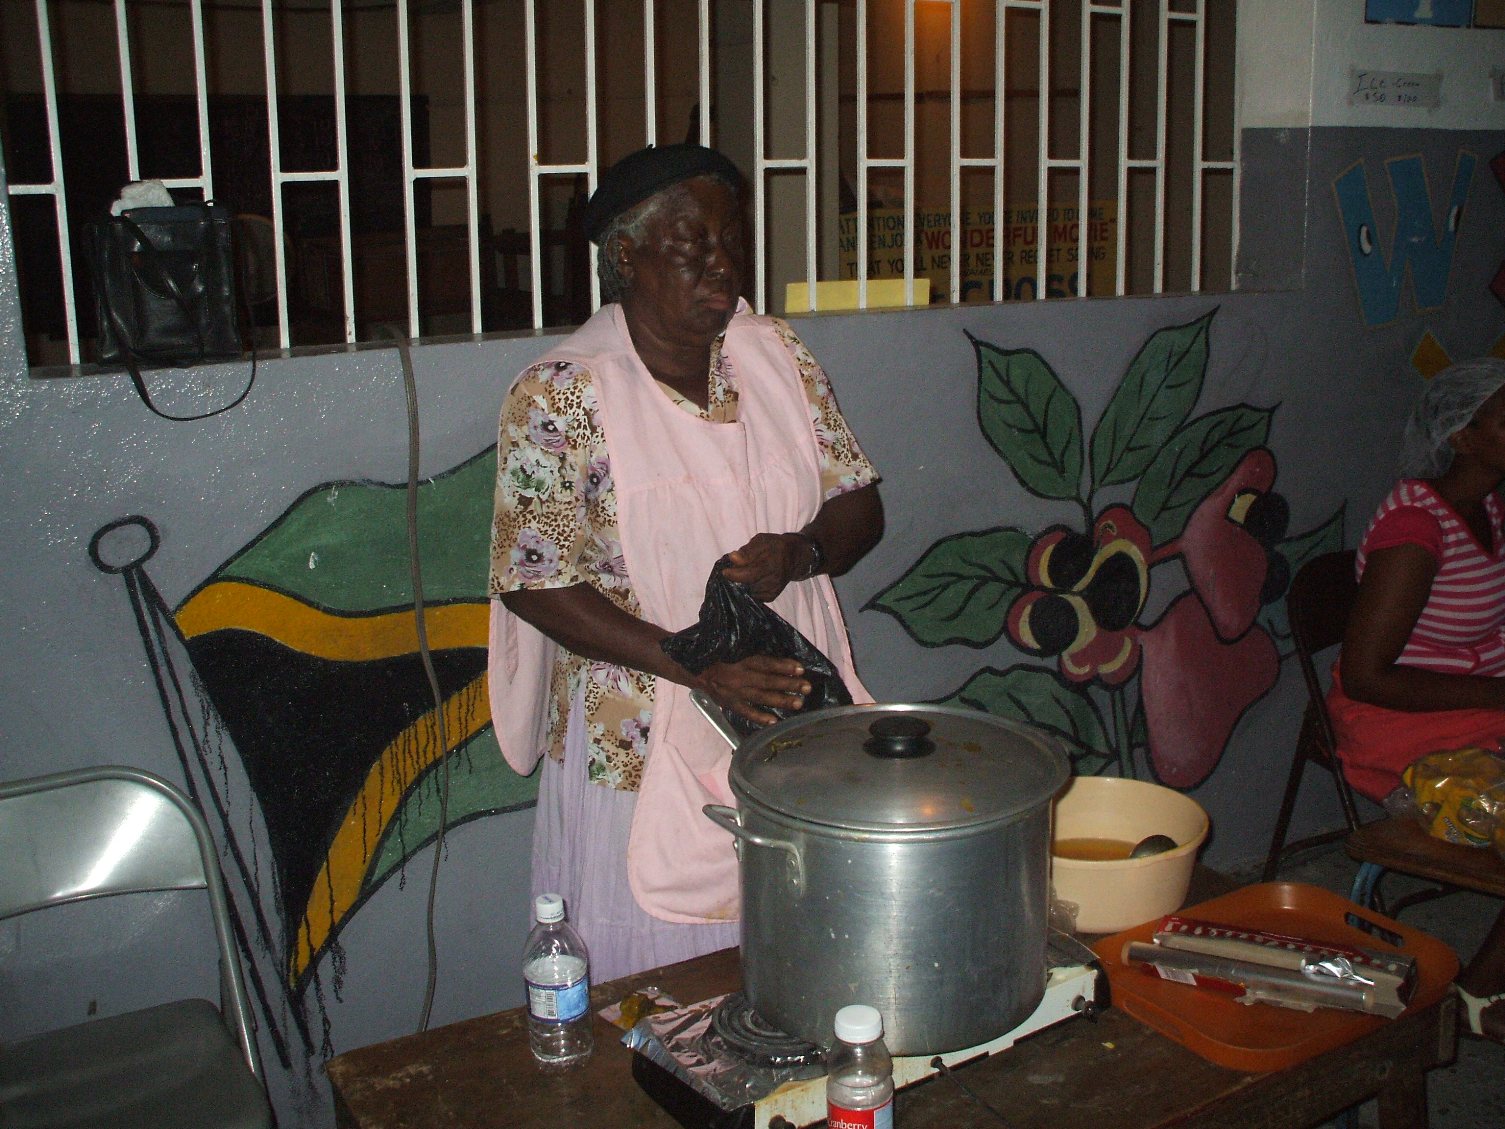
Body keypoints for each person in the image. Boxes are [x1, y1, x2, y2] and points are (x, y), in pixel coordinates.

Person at [486, 143, 883, 983]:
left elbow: (857, 501)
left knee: (798, 957)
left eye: (730, 239)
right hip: (634, 731)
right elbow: (534, 580)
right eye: (690, 243)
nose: (722, 264)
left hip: (784, 704)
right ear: (626, 257)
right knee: (662, 983)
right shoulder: (564, 392)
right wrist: (699, 664)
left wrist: (799, 552)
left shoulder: (775, 355)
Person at [1329, 356, 1505, 1043]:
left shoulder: (1487, 507)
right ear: (1462, 436)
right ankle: (1481, 989)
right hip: (1403, 722)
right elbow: (1367, 676)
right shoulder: (1414, 528)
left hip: (1471, 702)